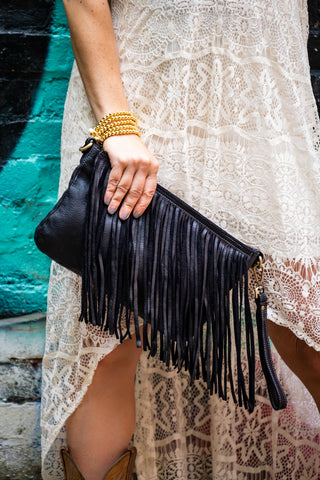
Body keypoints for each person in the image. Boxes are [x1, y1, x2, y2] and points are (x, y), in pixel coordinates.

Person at [41, 1, 320, 479]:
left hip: (262, 96)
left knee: (305, 320)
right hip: (138, 101)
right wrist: (118, 124)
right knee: (112, 338)